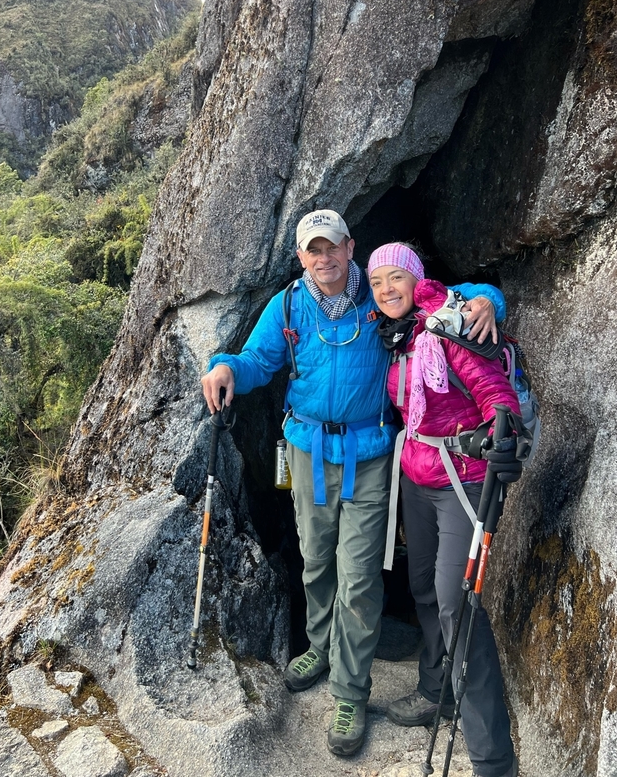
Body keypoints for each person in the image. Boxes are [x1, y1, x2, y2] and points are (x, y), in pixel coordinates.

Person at [201, 210, 505, 758]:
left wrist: (488, 301)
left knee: (359, 572)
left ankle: (350, 689)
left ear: (351, 247)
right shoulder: (290, 305)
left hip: (368, 453)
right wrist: (225, 368)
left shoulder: (385, 292)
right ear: (302, 257)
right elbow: (258, 361)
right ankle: (321, 643)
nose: (325, 258)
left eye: (333, 247)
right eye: (313, 250)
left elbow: (456, 296)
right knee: (315, 558)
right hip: (307, 449)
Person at [367, 242, 521, 777]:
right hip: (416, 475)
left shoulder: (448, 323)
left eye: (395, 278)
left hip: (464, 479)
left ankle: (492, 760)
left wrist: (502, 433)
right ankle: (437, 692)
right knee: (425, 590)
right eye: (377, 281)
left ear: (416, 278)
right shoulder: (394, 333)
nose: (387, 289)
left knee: (459, 607)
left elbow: (493, 391)